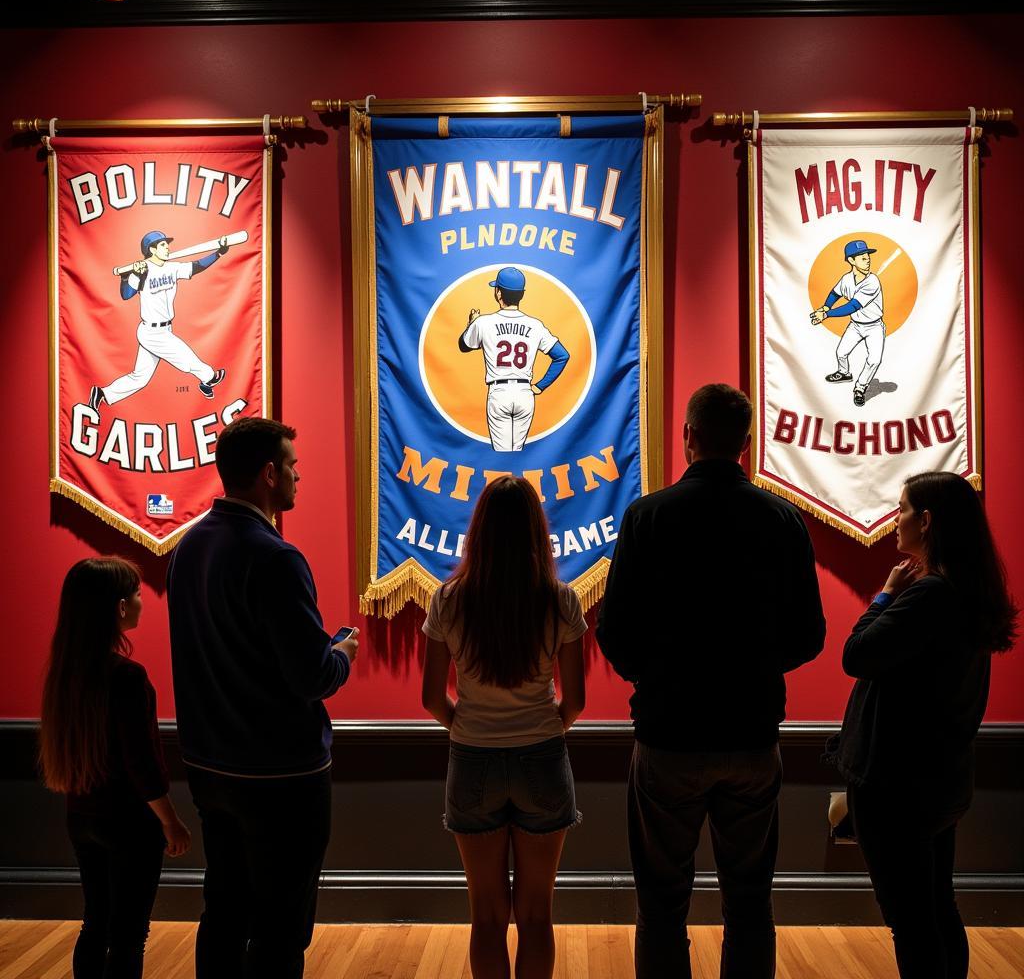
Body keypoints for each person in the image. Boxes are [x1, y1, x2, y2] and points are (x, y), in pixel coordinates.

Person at [597, 382, 826, 979]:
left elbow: (615, 630)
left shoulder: (647, 517)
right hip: (752, 735)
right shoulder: (783, 520)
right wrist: (754, 669)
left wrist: (653, 677)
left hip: (668, 734)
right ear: (746, 444)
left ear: (688, 437)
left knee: (661, 904)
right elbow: (810, 636)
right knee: (750, 901)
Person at [166, 416, 359, 979]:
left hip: (208, 766)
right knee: (280, 926)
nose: (299, 477)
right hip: (280, 777)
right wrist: (343, 651)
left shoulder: (188, 545)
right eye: (293, 467)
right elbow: (312, 676)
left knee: (222, 909)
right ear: (269, 474)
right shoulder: (275, 558)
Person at [829, 471, 1017, 979]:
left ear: (927, 521)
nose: (896, 517)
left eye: (904, 508)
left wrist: (884, 595)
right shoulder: (967, 591)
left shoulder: (927, 595)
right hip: (942, 780)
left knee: (910, 923)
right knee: (937, 908)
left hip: (897, 787)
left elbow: (856, 655)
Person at [421, 475, 586, 979]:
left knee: (487, 917)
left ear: (480, 531)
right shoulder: (561, 599)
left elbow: (431, 698)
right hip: (542, 757)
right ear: (538, 531)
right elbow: (575, 702)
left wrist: (466, 727)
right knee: (536, 916)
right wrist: (541, 728)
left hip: (472, 760)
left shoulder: (449, 599)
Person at [39, 557, 191, 979]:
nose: (143, 602)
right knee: (128, 934)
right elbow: (142, 763)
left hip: (82, 816)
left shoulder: (66, 673)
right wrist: (171, 822)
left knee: (96, 921)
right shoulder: (127, 677)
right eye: (138, 595)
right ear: (120, 607)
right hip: (128, 821)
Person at [89, 230, 231, 412]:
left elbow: (196, 266)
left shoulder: (172, 268)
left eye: (166, 244)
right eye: (163, 245)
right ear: (152, 249)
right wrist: (131, 276)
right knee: (184, 356)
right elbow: (126, 295)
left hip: (164, 329)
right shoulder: (142, 269)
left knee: (140, 377)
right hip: (151, 332)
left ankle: (102, 394)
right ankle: (209, 378)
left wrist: (218, 253)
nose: (167, 248)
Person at [459, 266, 571, 452]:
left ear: (498, 293)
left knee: (502, 456)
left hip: (499, 391)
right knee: (517, 454)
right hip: (524, 392)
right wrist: (540, 386)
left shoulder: (483, 322)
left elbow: (464, 346)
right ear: (521, 294)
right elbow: (562, 356)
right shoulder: (535, 325)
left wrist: (472, 322)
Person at [810, 238, 885, 408]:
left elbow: (852, 306)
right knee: (841, 352)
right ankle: (844, 373)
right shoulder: (846, 279)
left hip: (874, 326)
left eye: (867, 255)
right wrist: (825, 307)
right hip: (856, 325)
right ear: (851, 260)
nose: (867, 258)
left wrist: (826, 314)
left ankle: (860, 388)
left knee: (874, 360)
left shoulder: (873, 281)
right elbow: (834, 294)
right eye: (862, 256)